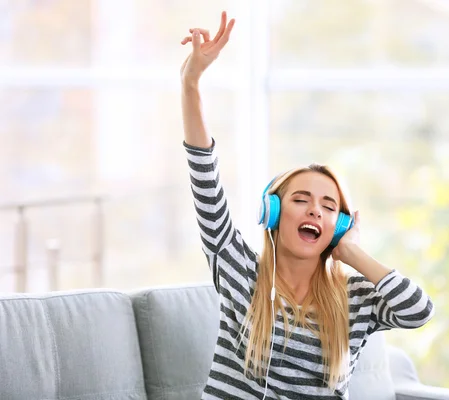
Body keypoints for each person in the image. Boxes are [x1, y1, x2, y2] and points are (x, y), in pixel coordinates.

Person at [180, 11, 434, 400]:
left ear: (341, 223)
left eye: (329, 206)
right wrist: (191, 83)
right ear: (274, 213)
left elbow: (418, 311)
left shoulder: (354, 301)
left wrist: (350, 251)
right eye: (301, 199)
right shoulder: (240, 272)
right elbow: (204, 177)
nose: (315, 210)